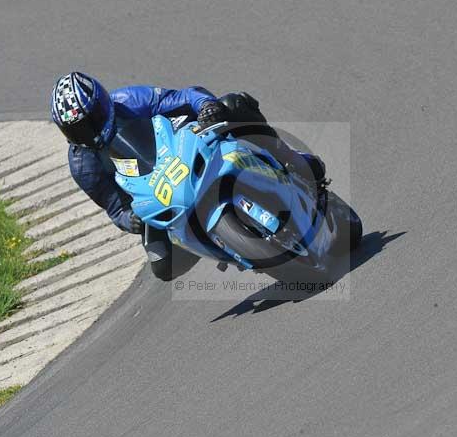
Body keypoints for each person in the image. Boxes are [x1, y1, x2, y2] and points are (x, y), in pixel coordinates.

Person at [50, 71, 324, 280]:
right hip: (154, 195)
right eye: (78, 129)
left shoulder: (129, 101)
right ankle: (231, 245)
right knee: (163, 267)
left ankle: (290, 159)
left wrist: (206, 106)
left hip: (179, 148)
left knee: (233, 103)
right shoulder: (83, 166)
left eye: (92, 119)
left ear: (103, 102)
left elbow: (184, 97)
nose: (90, 131)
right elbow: (115, 209)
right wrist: (129, 220)